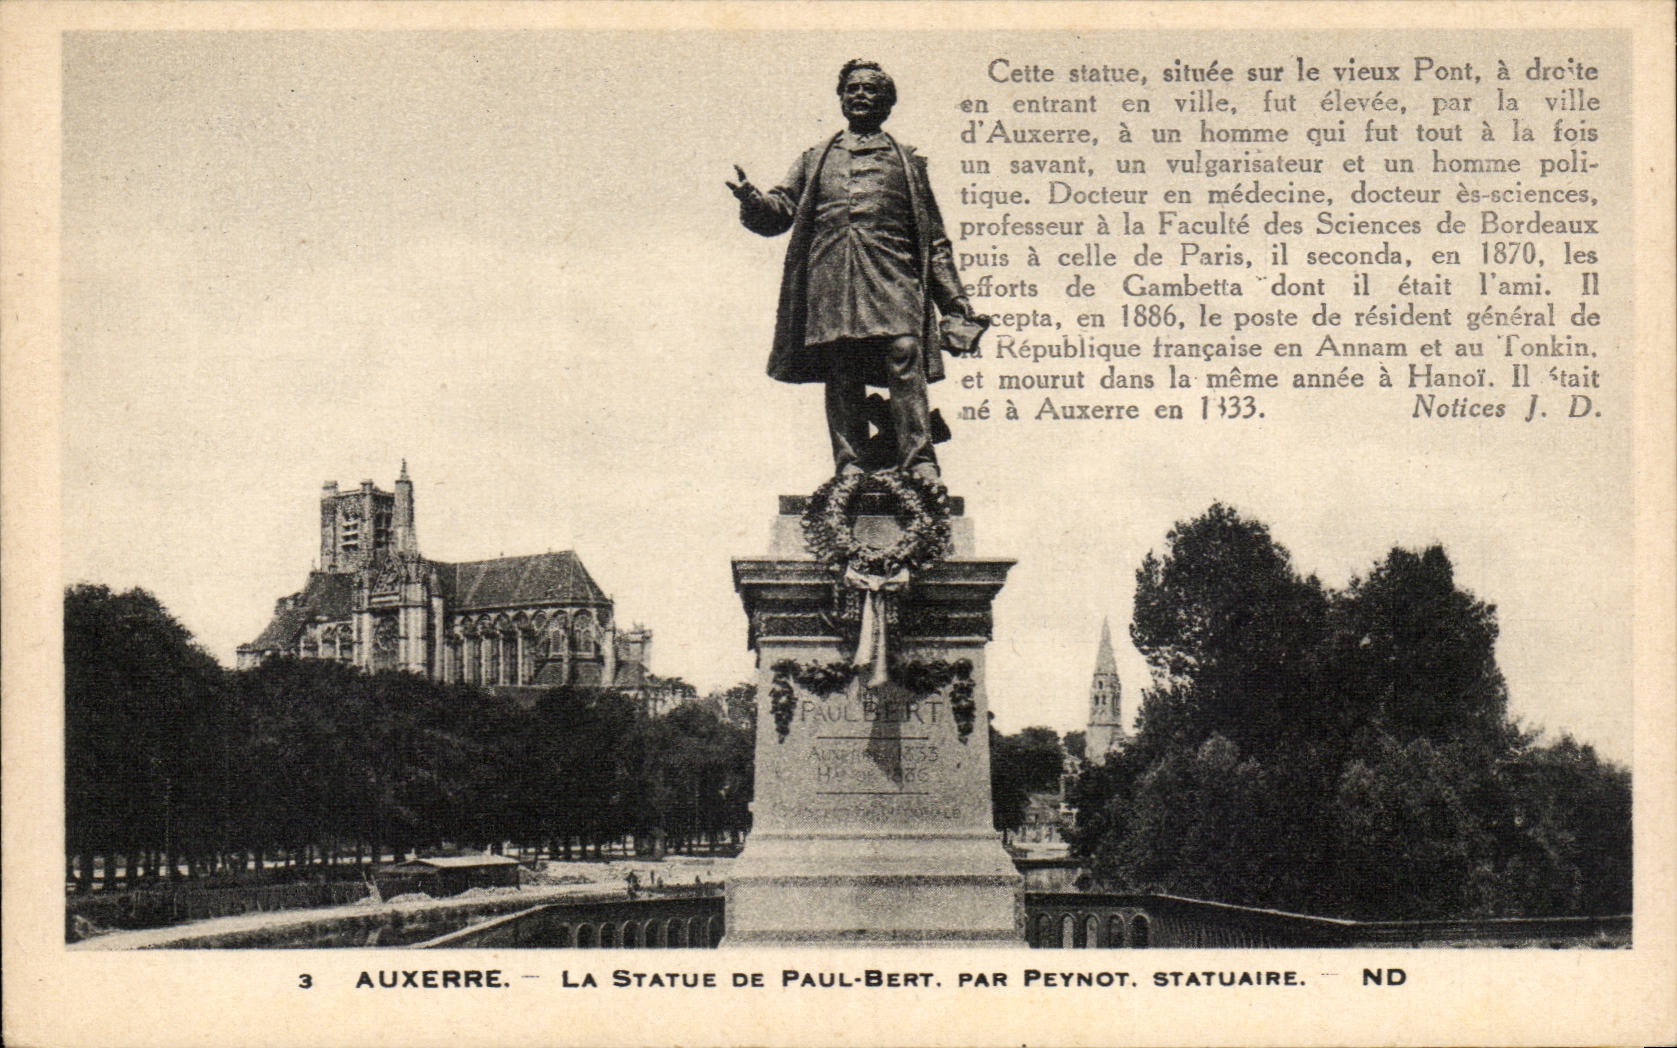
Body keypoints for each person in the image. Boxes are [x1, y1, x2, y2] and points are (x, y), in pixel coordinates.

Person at [729, 59, 976, 485]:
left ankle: (919, 459)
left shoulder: (908, 163)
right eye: (853, 89)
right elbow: (779, 211)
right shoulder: (814, 159)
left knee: (904, 352)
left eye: (871, 90)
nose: (861, 95)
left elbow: (934, 241)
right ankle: (850, 464)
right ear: (841, 98)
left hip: (893, 273)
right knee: (843, 366)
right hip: (833, 278)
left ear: (888, 103)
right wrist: (752, 200)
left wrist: (955, 304)